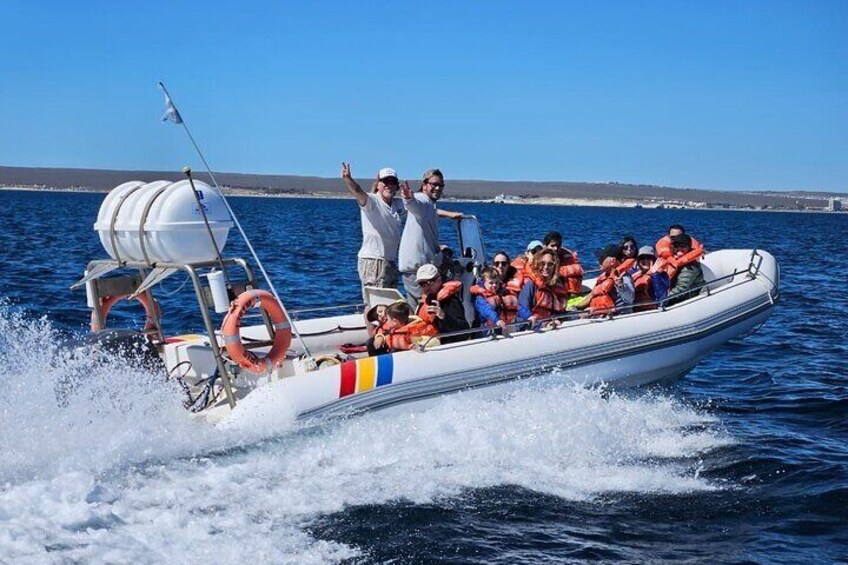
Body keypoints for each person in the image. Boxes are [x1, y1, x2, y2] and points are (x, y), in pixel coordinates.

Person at [398, 169, 464, 308]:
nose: (437, 188)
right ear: (424, 185)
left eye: (441, 185)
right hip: (418, 269)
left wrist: (449, 214)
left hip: (419, 265)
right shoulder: (422, 200)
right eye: (434, 184)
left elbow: (431, 212)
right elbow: (415, 205)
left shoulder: (430, 205)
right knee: (423, 307)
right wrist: (408, 198)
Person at [341, 163, 405, 298]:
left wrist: (448, 214)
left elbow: (420, 208)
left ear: (397, 186)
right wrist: (348, 179)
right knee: (375, 304)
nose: (389, 185)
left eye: (392, 182)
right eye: (385, 181)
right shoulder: (372, 202)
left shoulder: (398, 205)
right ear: (379, 184)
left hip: (390, 261)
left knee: (390, 304)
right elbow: (358, 192)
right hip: (373, 260)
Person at [414, 263, 470, 343]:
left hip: (446, 346)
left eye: (430, 282)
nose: (426, 287)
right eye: (422, 284)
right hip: (425, 342)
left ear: (439, 280)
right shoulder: (425, 301)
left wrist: (443, 316)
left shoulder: (450, 302)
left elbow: (464, 332)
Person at [576, 244, 635, 317]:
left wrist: (621, 286)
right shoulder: (604, 277)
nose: (598, 262)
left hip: (618, 317)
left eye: (601, 259)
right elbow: (592, 294)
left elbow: (629, 300)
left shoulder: (624, 278)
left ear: (612, 261)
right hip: (599, 313)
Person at [517, 249, 570, 327]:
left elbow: (561, 311)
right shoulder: (531, 285)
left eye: (550, 264)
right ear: (537, 265)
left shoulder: (559, 286)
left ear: (555, 266)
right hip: (535, 327)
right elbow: (520, 308)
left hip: (554, 323)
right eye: (542, 263)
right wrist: (530, 317)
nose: (546, 267)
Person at [371, 301, 439, 353]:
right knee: (370, 342)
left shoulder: (413, 333)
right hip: (396, 351)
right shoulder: (394, 326)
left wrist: (419, 346)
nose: (387, 322)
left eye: (388, 319)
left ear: (395, 321)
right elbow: (385, 332)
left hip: (407, 355)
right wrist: (380, 337)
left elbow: (435, 341)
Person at [470, 267, 518, 334]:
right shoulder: (479, 297)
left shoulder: (503, 293)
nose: (494, 285)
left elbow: (519, 306)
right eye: (491, 283)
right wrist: (497, 320)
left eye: (496, 282)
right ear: (484, 283)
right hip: (485, 330)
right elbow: (486, 309)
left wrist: (528, 316)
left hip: (501, 326)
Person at [665, 234, 706, 305]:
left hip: (690, 298)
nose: (679, 249)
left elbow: (681, 289)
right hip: (675, 296)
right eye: (676, 246)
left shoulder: (690, 267)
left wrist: (663, 298)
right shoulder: (672, 261)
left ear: (689, 248)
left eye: (683, 246)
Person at [543, 231, 584, 298]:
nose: (556, 248)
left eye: (558, 246)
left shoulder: (568, 254)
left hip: (570, 294)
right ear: (545, 246)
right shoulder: (539, 258)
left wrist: (559, 271)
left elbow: (580, 270)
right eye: (552, 246)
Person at [631, 246, 665, 311]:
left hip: (652, 310)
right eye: (642, 258)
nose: (645, 260)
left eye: (649, 258)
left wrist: (654, 274)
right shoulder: (634, 275)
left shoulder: (661, 274)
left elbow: (661, 294)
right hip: (636, 310)